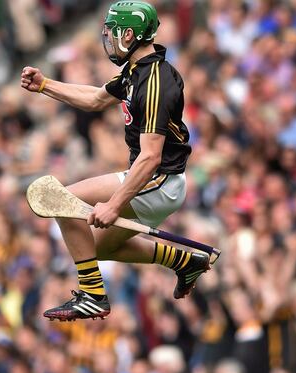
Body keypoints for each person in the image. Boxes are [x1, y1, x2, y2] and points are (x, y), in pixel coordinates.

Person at [20, 1, 210, 321]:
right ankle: (183, 261)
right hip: (152, 179)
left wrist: (113, 204)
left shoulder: (155, 82)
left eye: (113, 33)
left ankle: (93, 294)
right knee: (99, 247)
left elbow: (151, 157)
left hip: (157, 181)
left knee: (62, 199)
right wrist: (45, 85)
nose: (107, 39)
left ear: (130, 36)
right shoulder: (136, 73)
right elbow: (95, 99)